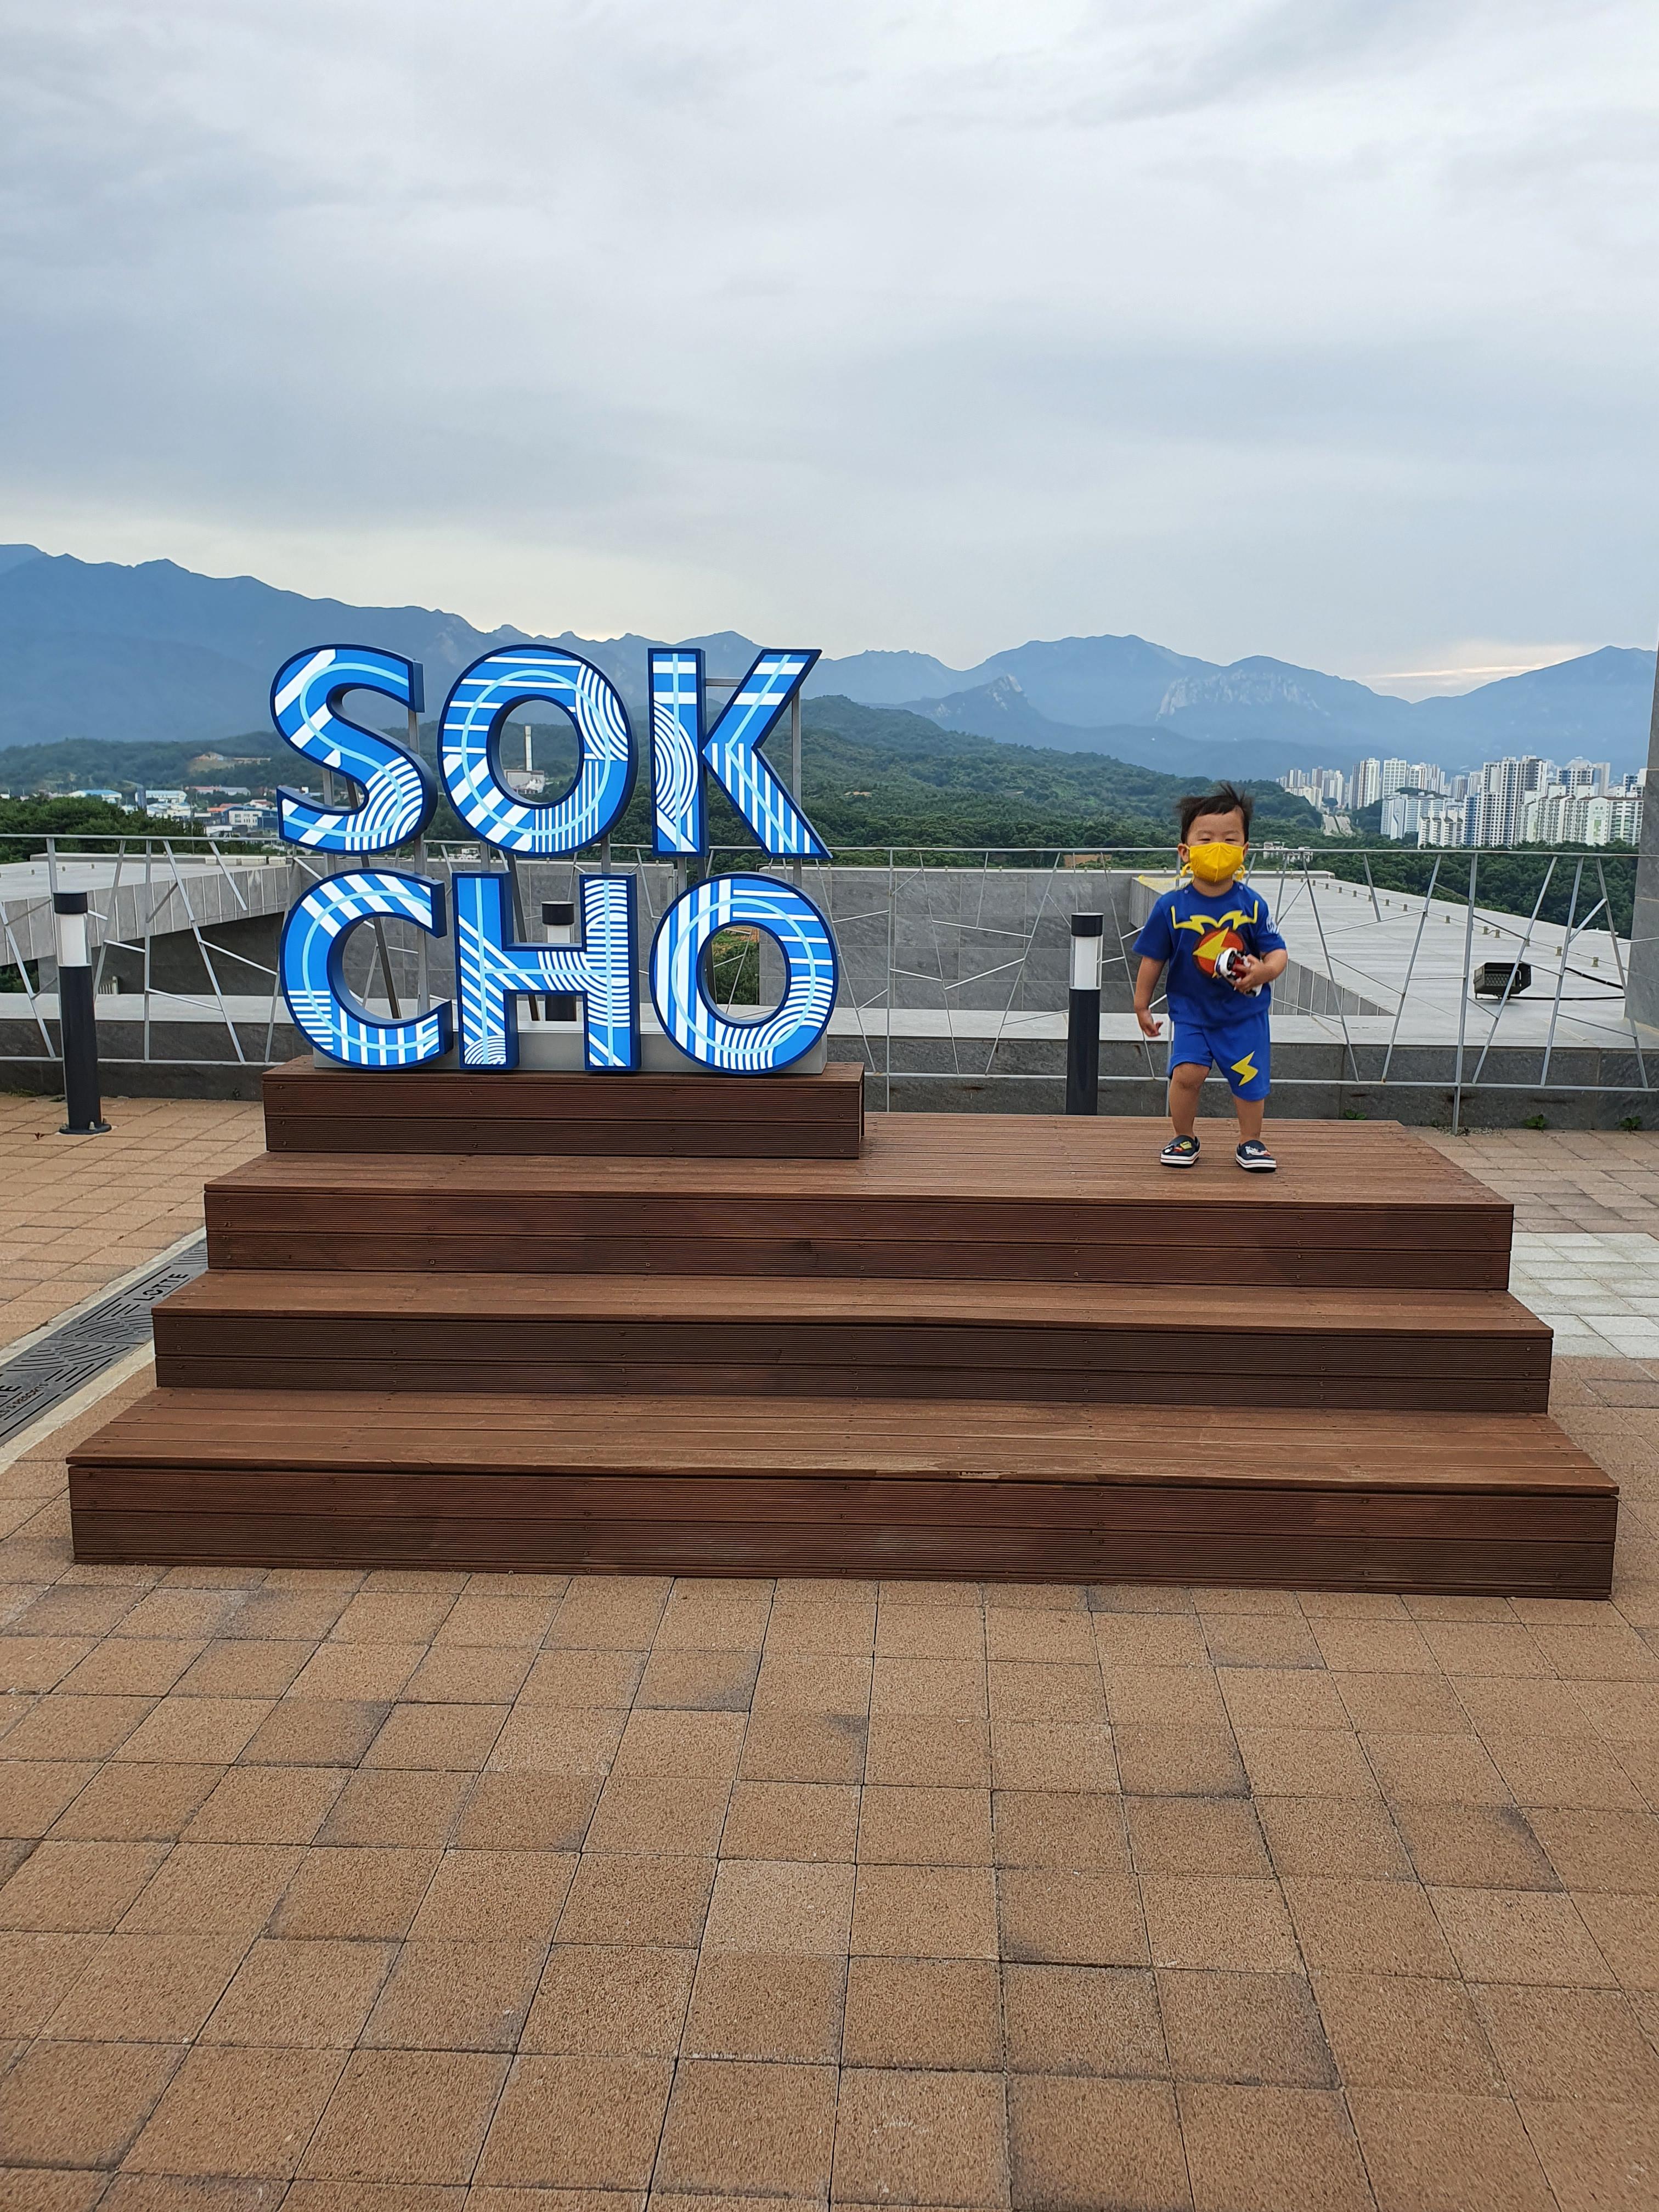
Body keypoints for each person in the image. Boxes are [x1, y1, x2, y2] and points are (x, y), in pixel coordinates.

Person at [1132, 782, 1288, 1171]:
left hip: (1244, 1015)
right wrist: (1141, 1004)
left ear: (1244, 851)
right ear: (1185, 851)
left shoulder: (1252, 905)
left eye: (1229, 839)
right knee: (1187, 1073)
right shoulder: (1171, 907)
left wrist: (1264, 971)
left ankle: (1251, 1142)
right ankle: (1183, 1137)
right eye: (1206, 839)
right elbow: (1153, 958)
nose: (1218, 847)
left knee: (1249, 1080)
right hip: (1192, 1013)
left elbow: (1277, 951)